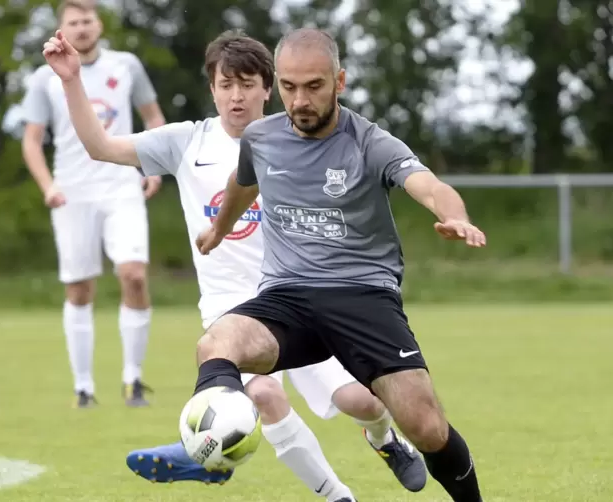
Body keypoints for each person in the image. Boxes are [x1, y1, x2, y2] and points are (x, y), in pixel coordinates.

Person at [40, 29, 427, 501]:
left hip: (305, 295)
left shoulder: (306, 138)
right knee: (263, 396)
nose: (236, 96)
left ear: (270, 88)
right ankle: (337, 497)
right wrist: (72, 80)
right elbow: (100, 146)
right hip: (233, 309)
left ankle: (384, 438)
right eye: (226, 85)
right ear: (213, 90)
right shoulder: (187, 142)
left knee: (362, 401)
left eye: (247, 84)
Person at [194, 28, 487, 502]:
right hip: (287, 297)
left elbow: (429, 185)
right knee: (216, 343)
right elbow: (243, 181)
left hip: (363, 296)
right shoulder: (262, 137)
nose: (300, 100)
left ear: (339, 81)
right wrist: (220, 229)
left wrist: (454, 216)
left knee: (428, 428)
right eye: (288, 87)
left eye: (313, 86)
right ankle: (213, 429)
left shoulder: (370, 142)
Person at [21, 0, 166, 408]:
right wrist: (48, 186)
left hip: (122, 185)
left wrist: (153, 166)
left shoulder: (127, 66)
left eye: (87, 20)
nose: (82, 28)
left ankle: (132, 380)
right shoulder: (43, 78)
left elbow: (154, 118)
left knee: (134, 276)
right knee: (80, 289)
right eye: (73, 22)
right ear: (61, 29)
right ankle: (83, 386)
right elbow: (32, 140)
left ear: (99, 24)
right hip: (74, 192)